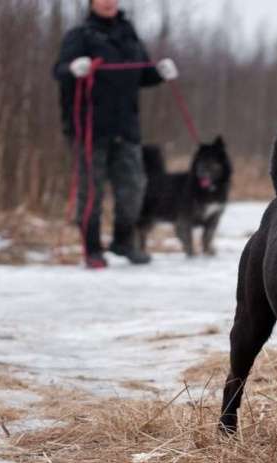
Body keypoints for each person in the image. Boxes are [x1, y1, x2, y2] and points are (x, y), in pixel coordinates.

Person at [52, 0, 178, 269]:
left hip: (127, 130)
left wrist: (159, 72)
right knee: (91, 194)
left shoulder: (128, 33)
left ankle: (123, 242)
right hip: (89, 130)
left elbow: (143, 74)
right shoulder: (80, 35)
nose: (109, 2)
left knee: (134, 189)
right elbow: (59, 70)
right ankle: (92, 250)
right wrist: (74, 69)